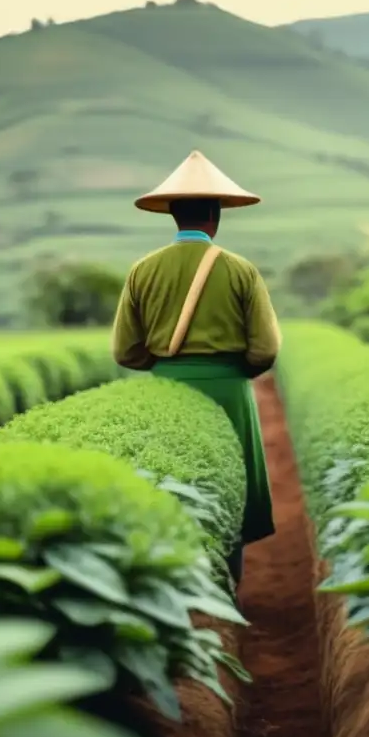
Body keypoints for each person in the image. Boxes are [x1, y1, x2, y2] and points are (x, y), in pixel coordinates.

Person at [111, 150, 281, 594]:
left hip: (168, 388)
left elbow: (125, 351)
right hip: (229, 391)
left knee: (178, 487)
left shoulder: (141, 271)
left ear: (172, 213)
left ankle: (183, 591)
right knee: (231, 487)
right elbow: (266, 349)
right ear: (214, 214)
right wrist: (229, 368)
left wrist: (169, 366)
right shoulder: (241, 270)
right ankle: (227, 588)